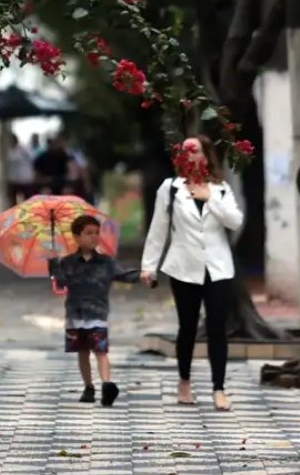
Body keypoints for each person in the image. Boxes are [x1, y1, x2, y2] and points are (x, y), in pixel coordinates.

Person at [139, 135, 244, 411]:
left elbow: (235, 221)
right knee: (187, 327)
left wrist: (211, 198)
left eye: (194, 150)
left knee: (217, 328)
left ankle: (219, 389)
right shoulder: (170, 188)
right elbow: (158, 228)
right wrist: (148, 266)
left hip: (218, 268)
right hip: (183, 267)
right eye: (184, 151)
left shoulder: (219, 188)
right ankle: (184, 382)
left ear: (205, 155)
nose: (188, 155)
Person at [49, 215, 142, 407]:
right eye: (88, 233)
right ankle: (88, 386)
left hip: (97, 314)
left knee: (101, 351)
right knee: (82, 351)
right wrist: (53, 264)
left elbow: (123, 274)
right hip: (75, 315)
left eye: (96, 233)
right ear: (76, 237)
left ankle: (107, 385)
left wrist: (143, 276)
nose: (93, 237)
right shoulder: (67, 262)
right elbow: (60, 283)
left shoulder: (106, 262)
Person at [6, 135, 36, 206]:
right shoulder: (9, 151)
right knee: (12, 202)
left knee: (27, 201)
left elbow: (32, 158)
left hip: (25, 180)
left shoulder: (24, 149)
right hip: (13, 180)